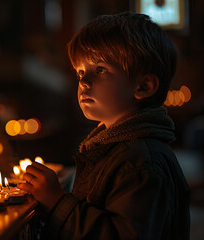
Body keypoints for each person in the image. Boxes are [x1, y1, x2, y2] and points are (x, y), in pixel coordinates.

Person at [17, 12, 190, 240]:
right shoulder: (113, 147)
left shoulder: (140, 163)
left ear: (144, 86)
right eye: (80, 71)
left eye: (100, 69)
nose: (83, 82)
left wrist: (57, 202)